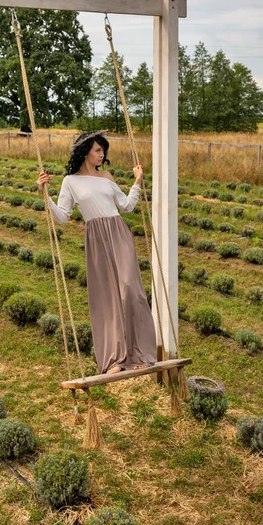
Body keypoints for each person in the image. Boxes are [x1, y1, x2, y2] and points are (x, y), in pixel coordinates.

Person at [36, 130, 157, 375]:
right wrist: (45, 194)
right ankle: (115, 360)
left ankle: (141, 353)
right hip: (96, 238)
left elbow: (127, 206)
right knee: (107, 299)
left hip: (118, 233)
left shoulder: (107, 176)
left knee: (131, 290)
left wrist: (137, 181)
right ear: (85, 153)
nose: (102, 154)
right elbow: (62, 217)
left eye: (103, 150)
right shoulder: (71, 181)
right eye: (98, 150)